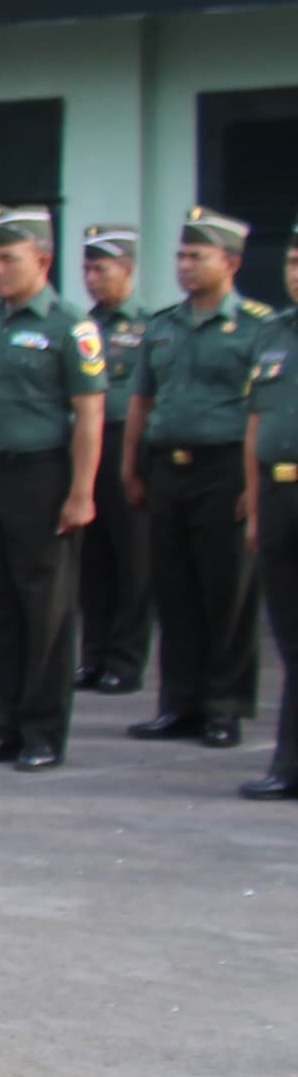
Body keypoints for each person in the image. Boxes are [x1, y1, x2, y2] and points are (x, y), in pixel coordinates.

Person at [0, 206, 106, 772]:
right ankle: (2, 726)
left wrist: (82, 491)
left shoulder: (69, 326)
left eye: (7, 259)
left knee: (44, 608)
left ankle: (42, 732)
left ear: (42, 259)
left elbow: (89, 413)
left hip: (41, 477)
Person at [125, 206, 272, 750]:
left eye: (197, 256)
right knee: (174, 588)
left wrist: (251, 487)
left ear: (230, 262)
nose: (185, 266)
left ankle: (224, 706)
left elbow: (266, 408)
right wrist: (131, 467)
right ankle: (179, 703)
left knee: (226, 591)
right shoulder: (162, 326)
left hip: (226, 467)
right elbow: (142, 400)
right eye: (181, 256)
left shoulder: (257, 327)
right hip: (168, 466)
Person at [75, 225, 153, 693]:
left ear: (127, 270)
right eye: (86, 269)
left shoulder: (148, 327)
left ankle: (125, 660)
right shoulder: (82, 326)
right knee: (93, 560)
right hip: (88, 446)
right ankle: (94, 655)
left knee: (133, 562)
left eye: (101, 269)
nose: (92, 278)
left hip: (127, 442)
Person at [243, 237, 298, 799]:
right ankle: (289, 766)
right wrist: (256, 504)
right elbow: (257, 426)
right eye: (291, 260)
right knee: (290, 642)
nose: (296, 272)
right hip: (281, 497)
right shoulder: (275, 333)